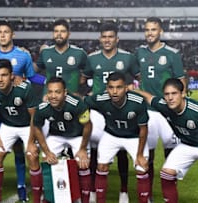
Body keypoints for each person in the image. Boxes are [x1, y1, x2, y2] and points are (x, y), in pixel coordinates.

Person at [136, 78, 198, 203]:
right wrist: (133, 90)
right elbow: (149, 97)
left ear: (183, 94)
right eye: (167, 94)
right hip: (187, 144)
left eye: (174, 93)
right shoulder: (163, 105)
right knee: (166, 174)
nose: (170, 98)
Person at [0, 21, 45, 202]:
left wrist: (49, 82)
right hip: (0, 111)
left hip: (22, 111)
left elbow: (33, 79)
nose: (3, 35)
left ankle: (21, 186)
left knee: (24, 152)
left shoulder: (23, 55)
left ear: (12, 35)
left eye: (6, 32)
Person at [81, 22, 140, 203]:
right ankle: (92, 190)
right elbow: (83, 80)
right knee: (94, 148)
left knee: (121, 148)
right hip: (98, 110)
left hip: (120, 108)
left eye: (110, 37)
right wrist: (88, 94)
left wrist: (133, 87)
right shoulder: (92, 58)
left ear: (117, 39)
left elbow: (139, 79)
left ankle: (123, 191)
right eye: (104, 37)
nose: (107, 40)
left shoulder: (128, 58)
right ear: (100, 39)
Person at [135, 17, 185, 201]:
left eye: (153, 29)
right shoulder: (139, 52)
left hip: (167, 113)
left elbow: (182, 83)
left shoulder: (172, 54)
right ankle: (147, 197)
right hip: (147, 112)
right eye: (147, 29)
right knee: (147, 158)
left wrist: (179, 109)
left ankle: (168, 197)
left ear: (160, 31)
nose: (150, 33)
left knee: (171, 158)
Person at [84, 72, 150, 203]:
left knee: (142, 168)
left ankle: (144, 199)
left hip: (134, 137)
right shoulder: (101, 99)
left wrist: (140, 154)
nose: (114, 91)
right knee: (101, 167)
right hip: (111, 135)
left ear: (126, 88)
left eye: (119, 87)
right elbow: (81, 104)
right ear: (106, 88)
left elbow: (143, 129)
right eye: (111, 87)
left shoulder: (137, 102)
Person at [0, 59, 39, 203]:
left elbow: (34, 116)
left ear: (12, 75)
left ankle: (37, 198)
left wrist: (31, 141)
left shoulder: (25, 88)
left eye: (4, 75)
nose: (0, 79)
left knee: (32, 156)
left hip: (28, 126)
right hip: (8, 125)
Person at [30, 77, 92, 203]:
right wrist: (47, 152)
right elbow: (37, 128)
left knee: (83, 163)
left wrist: (82, 149)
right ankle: (49, 196)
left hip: (77, 136)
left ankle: (84, 199)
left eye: (57, 92)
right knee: (47, 160)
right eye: (50, 92)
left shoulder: (77, 104)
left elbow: (88, 126)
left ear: (65, 92)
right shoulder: (43, 108)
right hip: (57, 135)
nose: (53, 96)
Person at [36, 19, 87, 97]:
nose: (59, 34)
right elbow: (33, 72)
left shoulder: (79, 53)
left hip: (71, 100)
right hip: (49, 98)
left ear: (69, 34)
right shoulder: (45, 52)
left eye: (63, 31)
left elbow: (89, 74)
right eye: (56, 31)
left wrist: (81, 94)